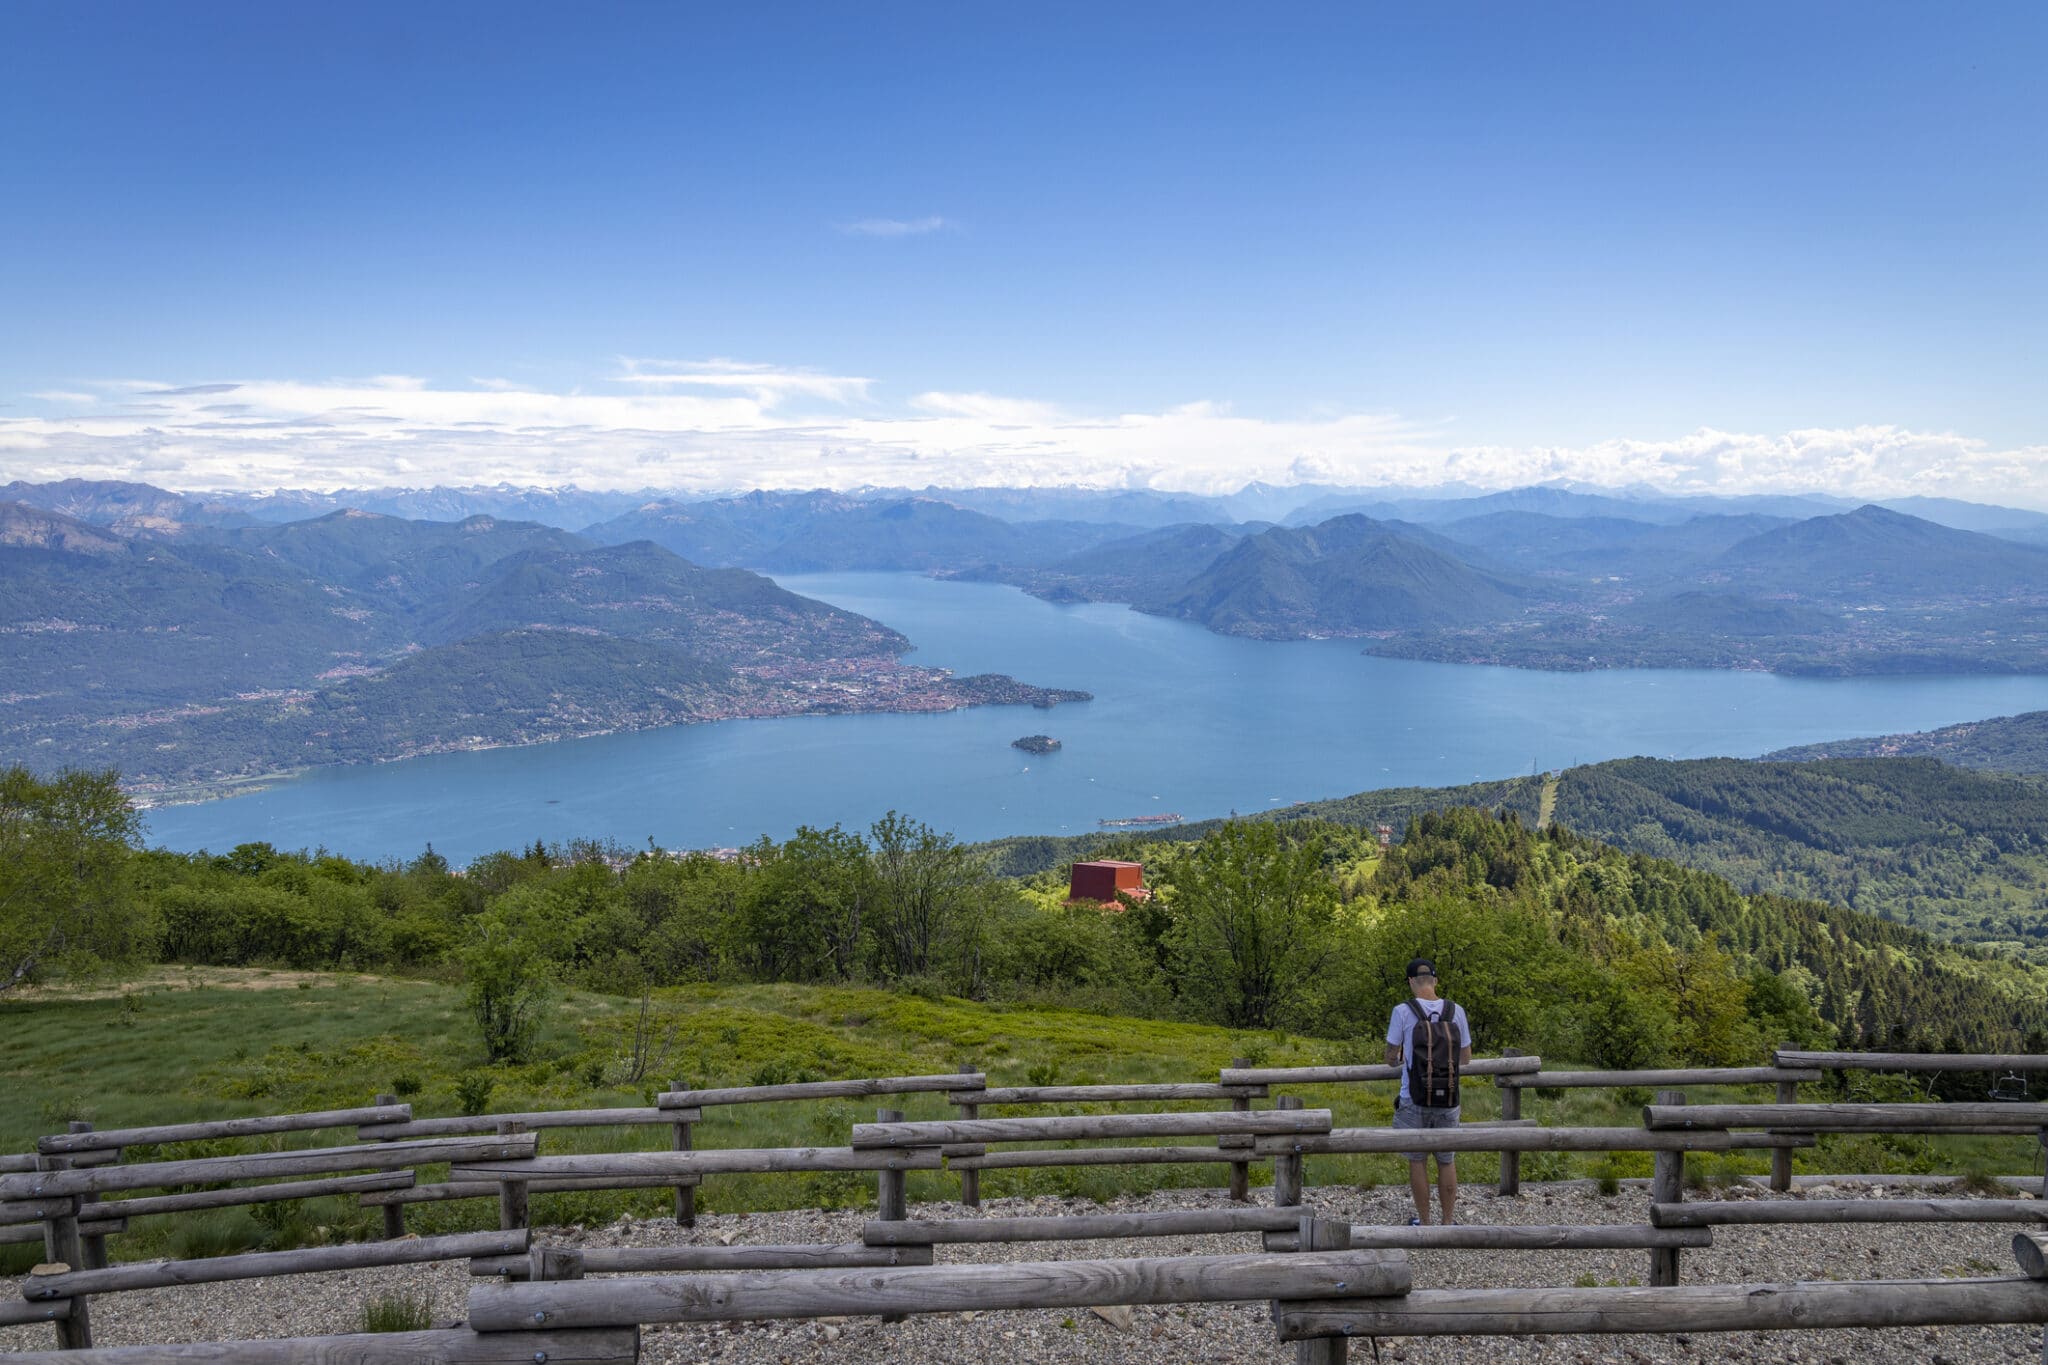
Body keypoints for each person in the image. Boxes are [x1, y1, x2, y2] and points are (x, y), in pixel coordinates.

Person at [1384, 957, 1472, 1226]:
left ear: (1411, 982)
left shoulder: (1402, 1011)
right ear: (1434, 981)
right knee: (1446, 1160)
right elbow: (1465, 1058)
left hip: (1414, 1098)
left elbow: (1390, 1057)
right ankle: (1447, 1223)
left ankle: (1424, 1223)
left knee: (1417, 1159)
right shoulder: (1456, 1011)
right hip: (1449, 1099)